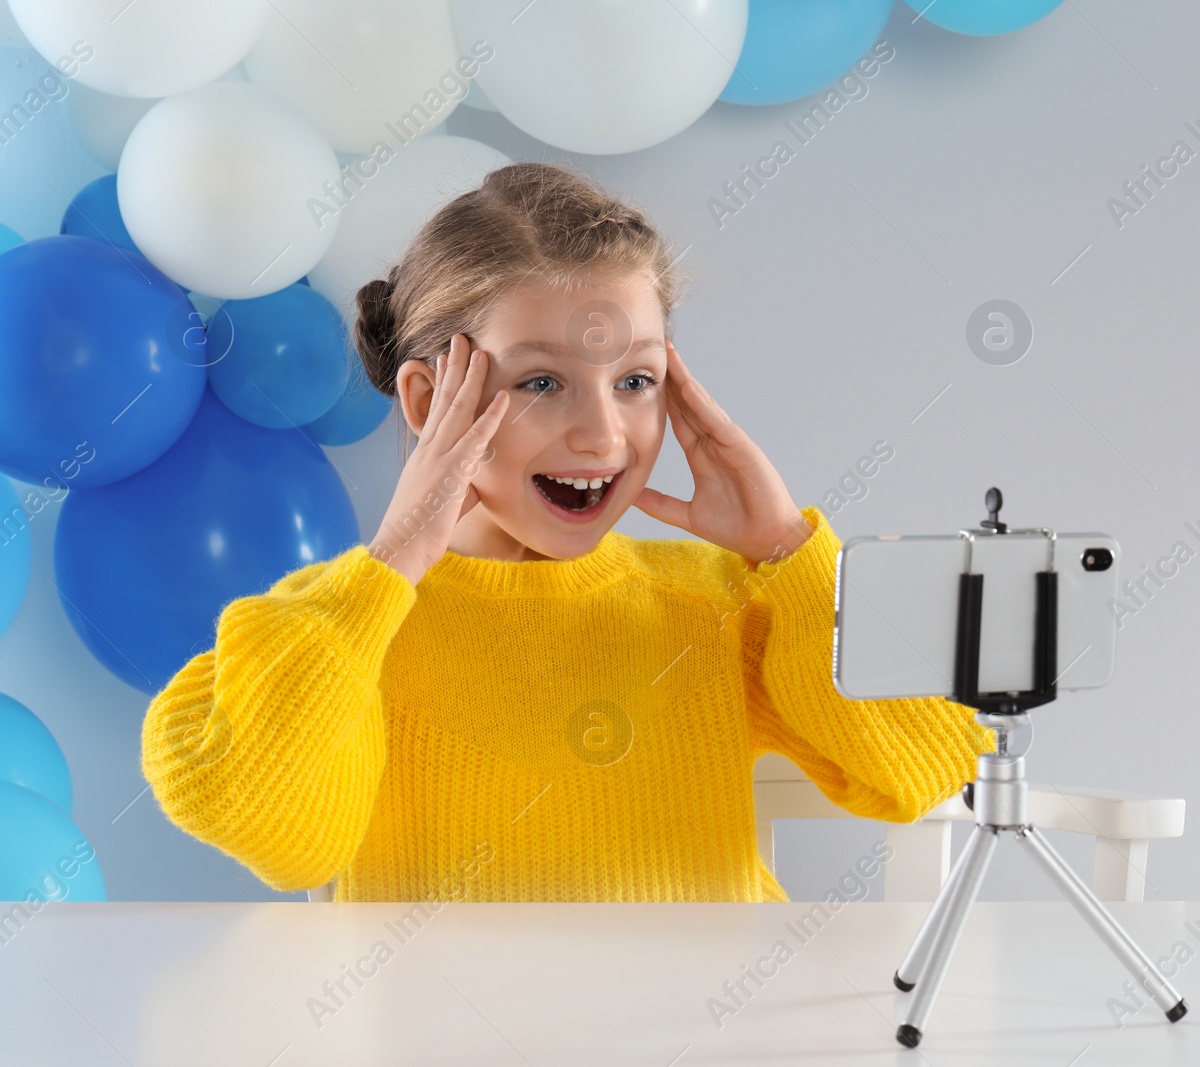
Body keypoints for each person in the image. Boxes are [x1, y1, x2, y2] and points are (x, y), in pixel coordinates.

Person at [140, 161, 994, 903]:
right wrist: (391, 563)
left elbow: (924, 766)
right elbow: (271, 825)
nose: (603, 436)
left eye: (636, 380)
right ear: (432, 402)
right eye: (544, 381)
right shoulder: (341, 625)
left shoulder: (718, 601)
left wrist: (788, 553)